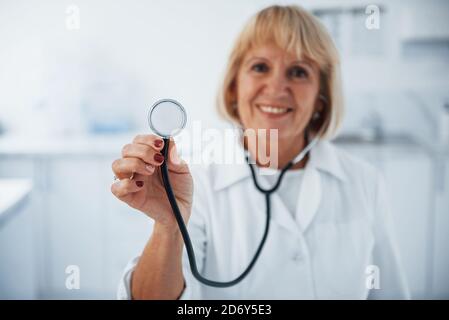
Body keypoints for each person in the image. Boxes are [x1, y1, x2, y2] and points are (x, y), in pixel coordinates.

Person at [111, 5, 409, 299]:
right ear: (233, 88)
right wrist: (169, 227)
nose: (277, 86)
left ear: (321, 97)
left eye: (298, 71)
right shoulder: (195, 183)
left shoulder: (365, 182)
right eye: (260, 67)